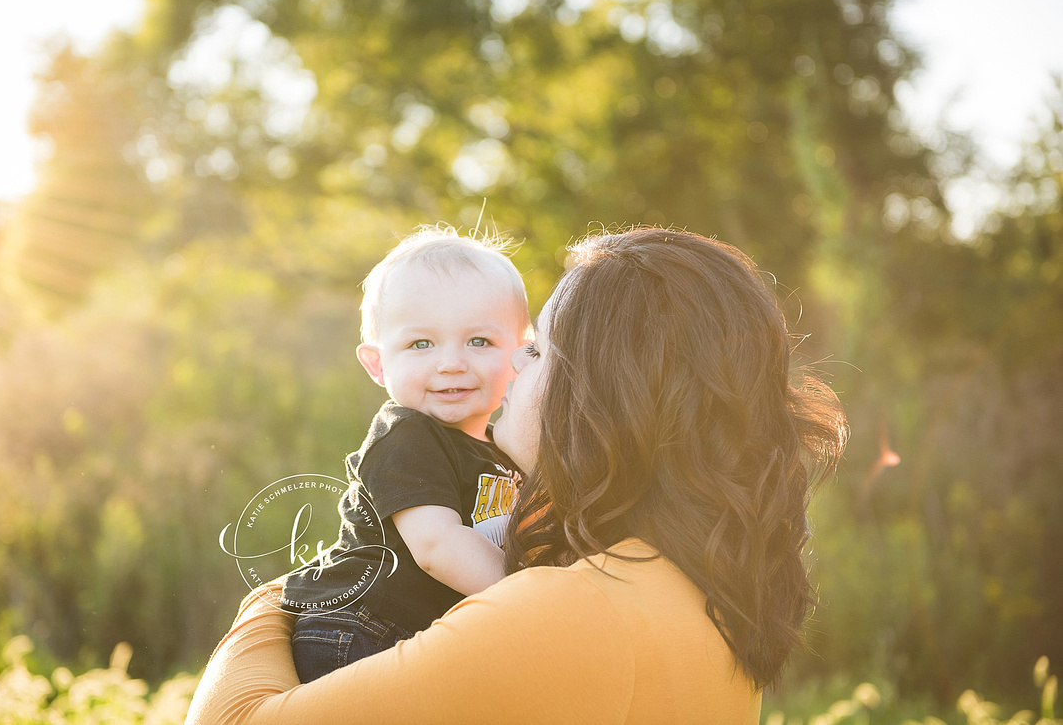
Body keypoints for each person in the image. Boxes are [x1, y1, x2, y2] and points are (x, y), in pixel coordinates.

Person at [187, 227, 848, 724]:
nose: (512, 367)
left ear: (598, 393)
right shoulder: (700, 595)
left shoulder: (562, 609)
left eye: (534, 349)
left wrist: (280, 592)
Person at [281, 227, 530, 682]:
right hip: (361, 630)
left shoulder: (509, 449)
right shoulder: (407, 434)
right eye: (421, 344)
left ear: (520, 353)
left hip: (425, 639)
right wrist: (537, 599)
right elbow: (437, 546)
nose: (451, 362)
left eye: (479, 341)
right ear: (378, 364)